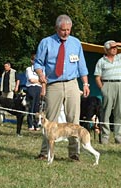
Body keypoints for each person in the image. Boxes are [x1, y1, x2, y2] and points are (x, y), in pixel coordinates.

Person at [34, 14, 90, 161]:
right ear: (56, 28)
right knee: (49, 119)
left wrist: (85, 83)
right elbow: (38, 63)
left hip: (72, 83)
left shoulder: (76, 43)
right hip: (53, 84)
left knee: (74, 119)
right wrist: (40, 74)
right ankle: (45, 152)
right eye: (63, 30)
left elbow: (82, 65)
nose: (66, 33)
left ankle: (74, 153)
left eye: (68, 30)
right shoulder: (46, 42)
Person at [94, 40, 121, 144]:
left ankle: (118, 136)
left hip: (119, 84)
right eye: (112, 47)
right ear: (106, 49)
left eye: (115, 47)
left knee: (118, 112)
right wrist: (102, 89)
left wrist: (120, 44)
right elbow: (97, 77)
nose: (115, 49)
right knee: (106, 112)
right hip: (107, 84)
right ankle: (105, 136)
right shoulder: (101, 61)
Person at [25, 54, 42, 131]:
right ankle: (30, 124)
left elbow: (44, 80)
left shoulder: (41, 69)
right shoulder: (29, 69)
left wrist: (39, 82)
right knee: (30, 107)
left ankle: (36, 124)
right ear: (31, 61)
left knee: (37, 107)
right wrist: (39, 81)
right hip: (31, 88)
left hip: (39, 88)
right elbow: (31, 80)